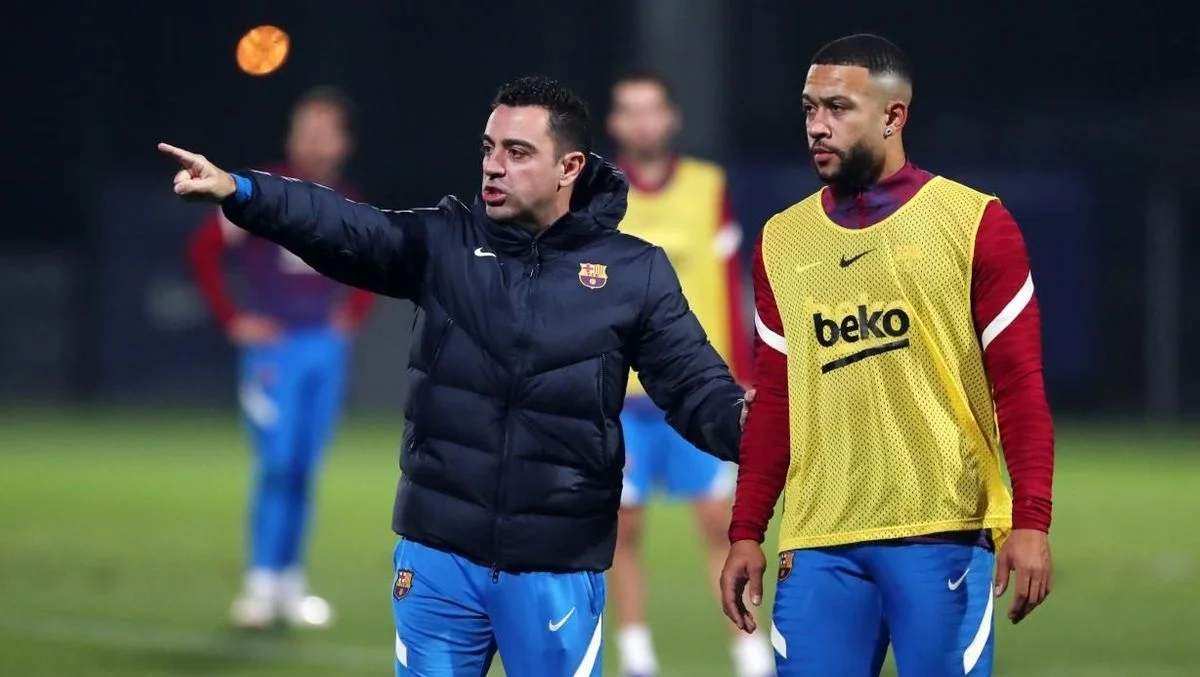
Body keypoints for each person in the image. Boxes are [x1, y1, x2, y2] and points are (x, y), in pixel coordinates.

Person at [160, 75, 748, 677]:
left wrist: (759, 431)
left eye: (517, 152)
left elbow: (695, 386)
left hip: (556, 566)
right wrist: (241, 190)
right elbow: (345, 225)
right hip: (438, 559)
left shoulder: (632, 272)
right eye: (489, 148)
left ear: (569, 167)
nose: (494, 165)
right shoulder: (447, 242)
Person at [720, 34, 1056, 676]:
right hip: (818, 541)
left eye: (837, 108)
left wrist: (1032, 519)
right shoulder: (781, 241)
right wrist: (746, 531)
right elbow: (778, 401)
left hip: (943, 531)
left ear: (893, 116)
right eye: (809, 108)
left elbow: (1018, 386)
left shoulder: (975, 224)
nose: (817, 126)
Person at [184, 86, 375, 630]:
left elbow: (377, 259)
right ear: (291, 135)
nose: (315, 140)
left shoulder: (347, 200)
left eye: (326, 131)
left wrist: (350, 316)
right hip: (276, 348)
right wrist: (233, 319)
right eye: (307, 128)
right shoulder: (260, 191)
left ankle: (290, 582)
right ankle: (260, 584)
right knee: (276, 464)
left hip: (323, 348)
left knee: (304, 468)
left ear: (344, 143)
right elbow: (202, 252)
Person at [604, 70, 774, 677]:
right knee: (623, 529)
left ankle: (749, 648)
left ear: (671, 117)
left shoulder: (708, 186)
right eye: (630, 109)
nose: (642, 121)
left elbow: (730, 285)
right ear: (615, 123)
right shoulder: (600, 191)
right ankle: (637, 654)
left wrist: (745, 374)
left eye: (651, 108)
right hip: (621, 394)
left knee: (722, 524)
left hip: (699, 389)